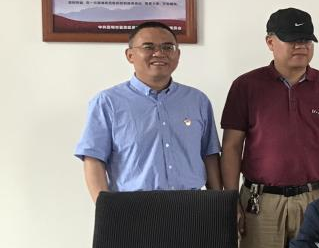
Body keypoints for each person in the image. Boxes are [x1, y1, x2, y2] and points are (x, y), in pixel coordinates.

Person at [221, 8, 319, 248]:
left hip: (316, 199)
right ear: (270, 42)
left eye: (306, 39)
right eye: (292, 39)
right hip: (261, 202)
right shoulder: (246, 86)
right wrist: (231, 200)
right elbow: (232, 147)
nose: (301, 46)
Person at [75, 22, 221, 201]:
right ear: (130, 55)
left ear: (178, 54)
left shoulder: (197, 100)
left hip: (193, 204)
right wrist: (106, 209)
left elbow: (209, 155)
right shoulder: (107, 102)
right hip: (133, 206)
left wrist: (218, 203)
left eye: (167, 47)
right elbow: (93, 159)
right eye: (148, 47)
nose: (159, 53)